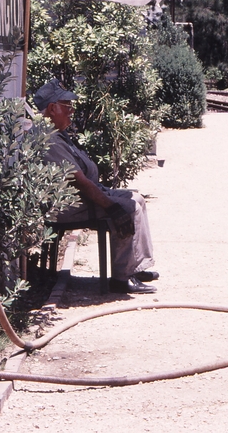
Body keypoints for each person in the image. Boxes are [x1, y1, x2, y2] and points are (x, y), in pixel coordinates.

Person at [35, 79, 158, 294]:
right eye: (67, 106)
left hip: (83, 198)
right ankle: (121, 279)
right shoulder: (49, 141)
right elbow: (79, 182)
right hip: (69, 207)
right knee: (129, 208)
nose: (72, 111)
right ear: (52, 109)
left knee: (137, 198)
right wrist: (111, 206)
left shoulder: (57, 134)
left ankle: (136, 266)